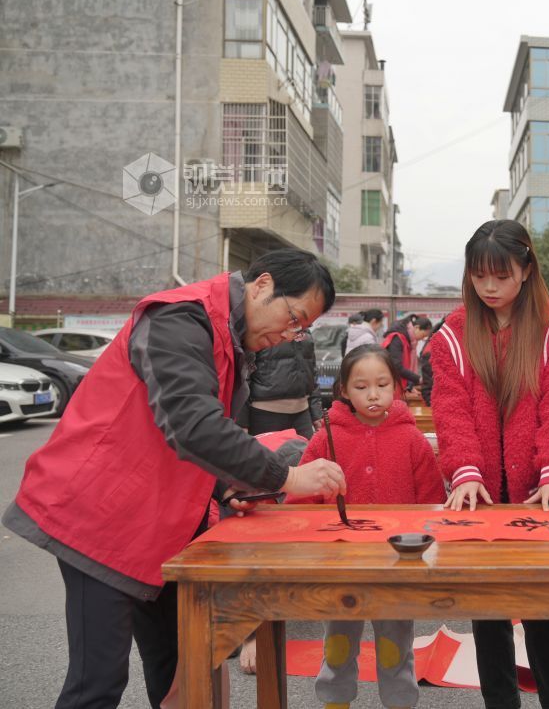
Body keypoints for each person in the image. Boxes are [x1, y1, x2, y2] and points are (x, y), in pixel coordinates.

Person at [2, 249, 347, 709]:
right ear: (263, 285)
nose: (289, 334)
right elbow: (193, 426)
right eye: (294, 318)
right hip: (97, 517)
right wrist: (287, 477)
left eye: (300, 330)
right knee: (97, 683)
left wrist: (226, 486)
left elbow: (189, 440)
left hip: (155, 523)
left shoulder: (226, 334)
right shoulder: (181, 318)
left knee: (184, 667)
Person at [430, 219, 549, 709]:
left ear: (527, 269)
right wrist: (465, 471)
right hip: (478, 492)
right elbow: (450, 409)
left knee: (544, 614)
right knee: (487, 613)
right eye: (479, 276)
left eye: (501, 275)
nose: (489, 287)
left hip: (537, 490)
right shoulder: (453, 333)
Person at [290, 344, 445, 709]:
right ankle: (335, 702)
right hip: (339, 564)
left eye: (382, 384)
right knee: (338, 644)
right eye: (361, 387)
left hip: (398, 565)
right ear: (344, 389)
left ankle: (400, 703)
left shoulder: (412, 439)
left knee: (396, 646)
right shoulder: (326, 438)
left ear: (397, 386)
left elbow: (432, 502)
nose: (373, 394)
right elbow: (300, 501)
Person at [242, 334, 323, 438]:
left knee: (308, 448)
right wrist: (242, 421)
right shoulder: (263, 330)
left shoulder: (305, 331)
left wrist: (316, 413)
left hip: (302, 415)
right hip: (265, 415)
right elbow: (244, 376)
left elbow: (312, 372)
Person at [382, 314, 432, 397]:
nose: (422, 339)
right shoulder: (397, 338)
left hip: (397, 386)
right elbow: (396, 367)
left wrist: (409, 386)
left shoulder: (407, 341)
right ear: (416, 327)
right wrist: (418, 379)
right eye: (423, 335)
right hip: (391, 387)